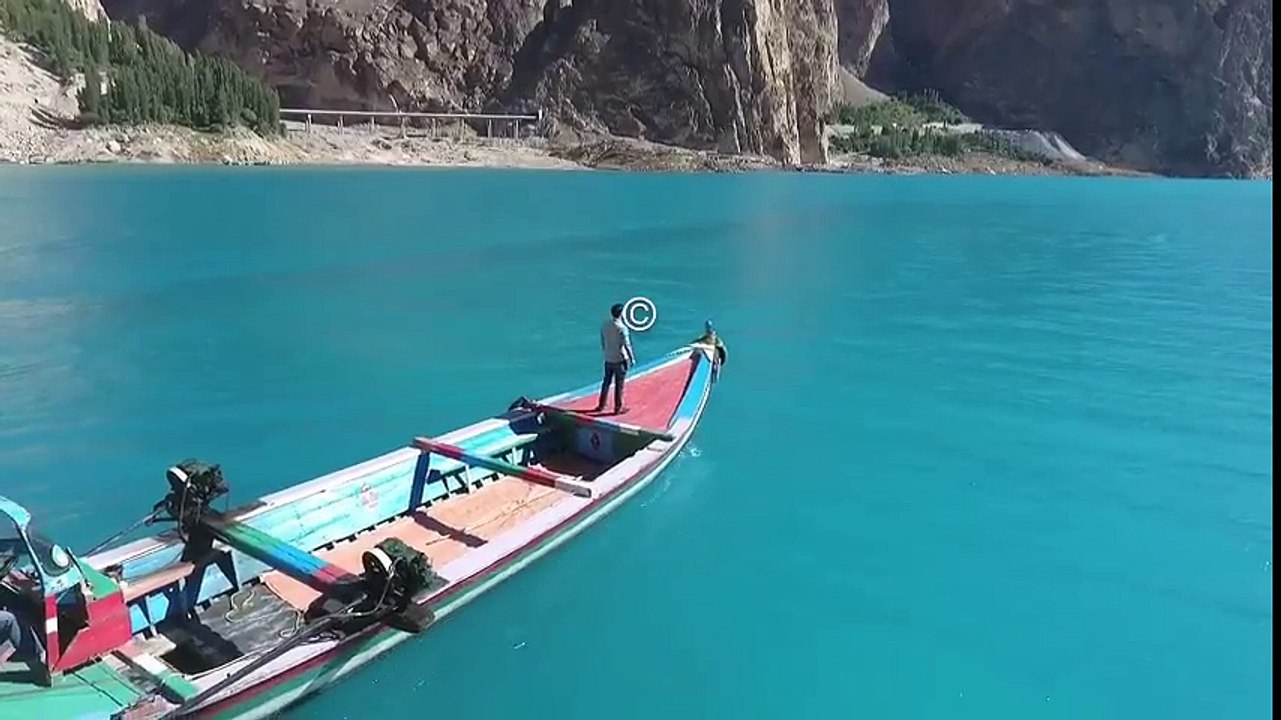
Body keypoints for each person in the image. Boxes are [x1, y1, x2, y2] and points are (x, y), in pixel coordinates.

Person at [595, 302, 634, 414]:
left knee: (606, 382)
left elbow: (603, 340)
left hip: (608, 358)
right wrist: (632, 358)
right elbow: (627, 344)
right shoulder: (622, 328)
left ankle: (601, 405)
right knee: (619, 384)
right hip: (620, 358)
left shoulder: (605, 325)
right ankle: (618, 407)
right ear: (621, 314)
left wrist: (606, 352)